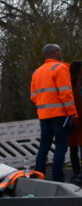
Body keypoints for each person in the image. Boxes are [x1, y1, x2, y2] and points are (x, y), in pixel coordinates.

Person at [30, 43, 77, 182]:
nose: (62, 53)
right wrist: (72, 113)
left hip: (44, 115)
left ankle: (39, 176)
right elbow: (65, 93)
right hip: (60, 114)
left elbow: (33, 96)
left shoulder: (37, 72)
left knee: (44, 146)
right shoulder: (60, 68)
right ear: (56, 52)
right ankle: (57, 178)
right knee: (61, 147)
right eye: (60, 51)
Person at [69, 61, 82, 181]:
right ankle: (76, 173)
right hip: (75, 120)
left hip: (78, 120)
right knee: (73, 148)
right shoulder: (72, 86)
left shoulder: (77, 85)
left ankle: (77, 173)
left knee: (75, 147)